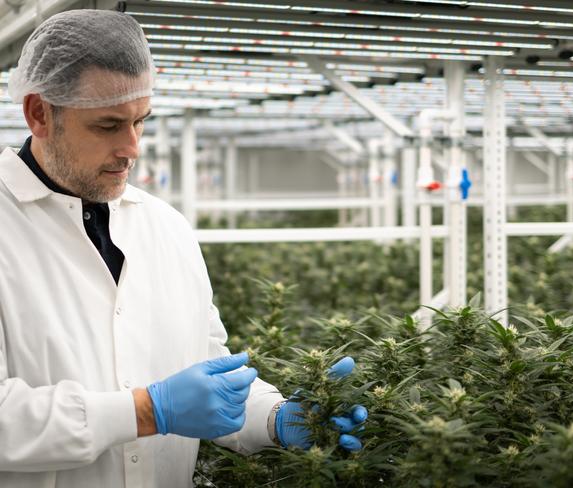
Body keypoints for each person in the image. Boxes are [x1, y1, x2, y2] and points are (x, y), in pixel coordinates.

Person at [0, 9, 367, 488]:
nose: (132, 147)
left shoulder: (166, 228)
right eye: (108, 125)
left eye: (141, 121)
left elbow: (205, 370)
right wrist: (146, 411)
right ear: (39, 114)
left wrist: (273, 417)